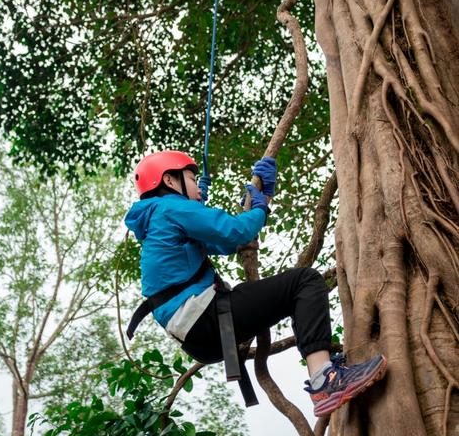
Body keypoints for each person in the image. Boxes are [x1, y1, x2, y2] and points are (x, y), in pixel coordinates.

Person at [124, 150, 387, 416]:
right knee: (305, 281)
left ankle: (325, 375)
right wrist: (260, 209)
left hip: (199, 338)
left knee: (286, 292)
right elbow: (233, 232)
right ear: (170, 181)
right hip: (205, 319)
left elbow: (222, 243)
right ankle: (324, 380)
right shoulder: (170, 208)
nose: (197, 187)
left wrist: (261, 200)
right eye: (191, 179)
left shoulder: (158, 219)